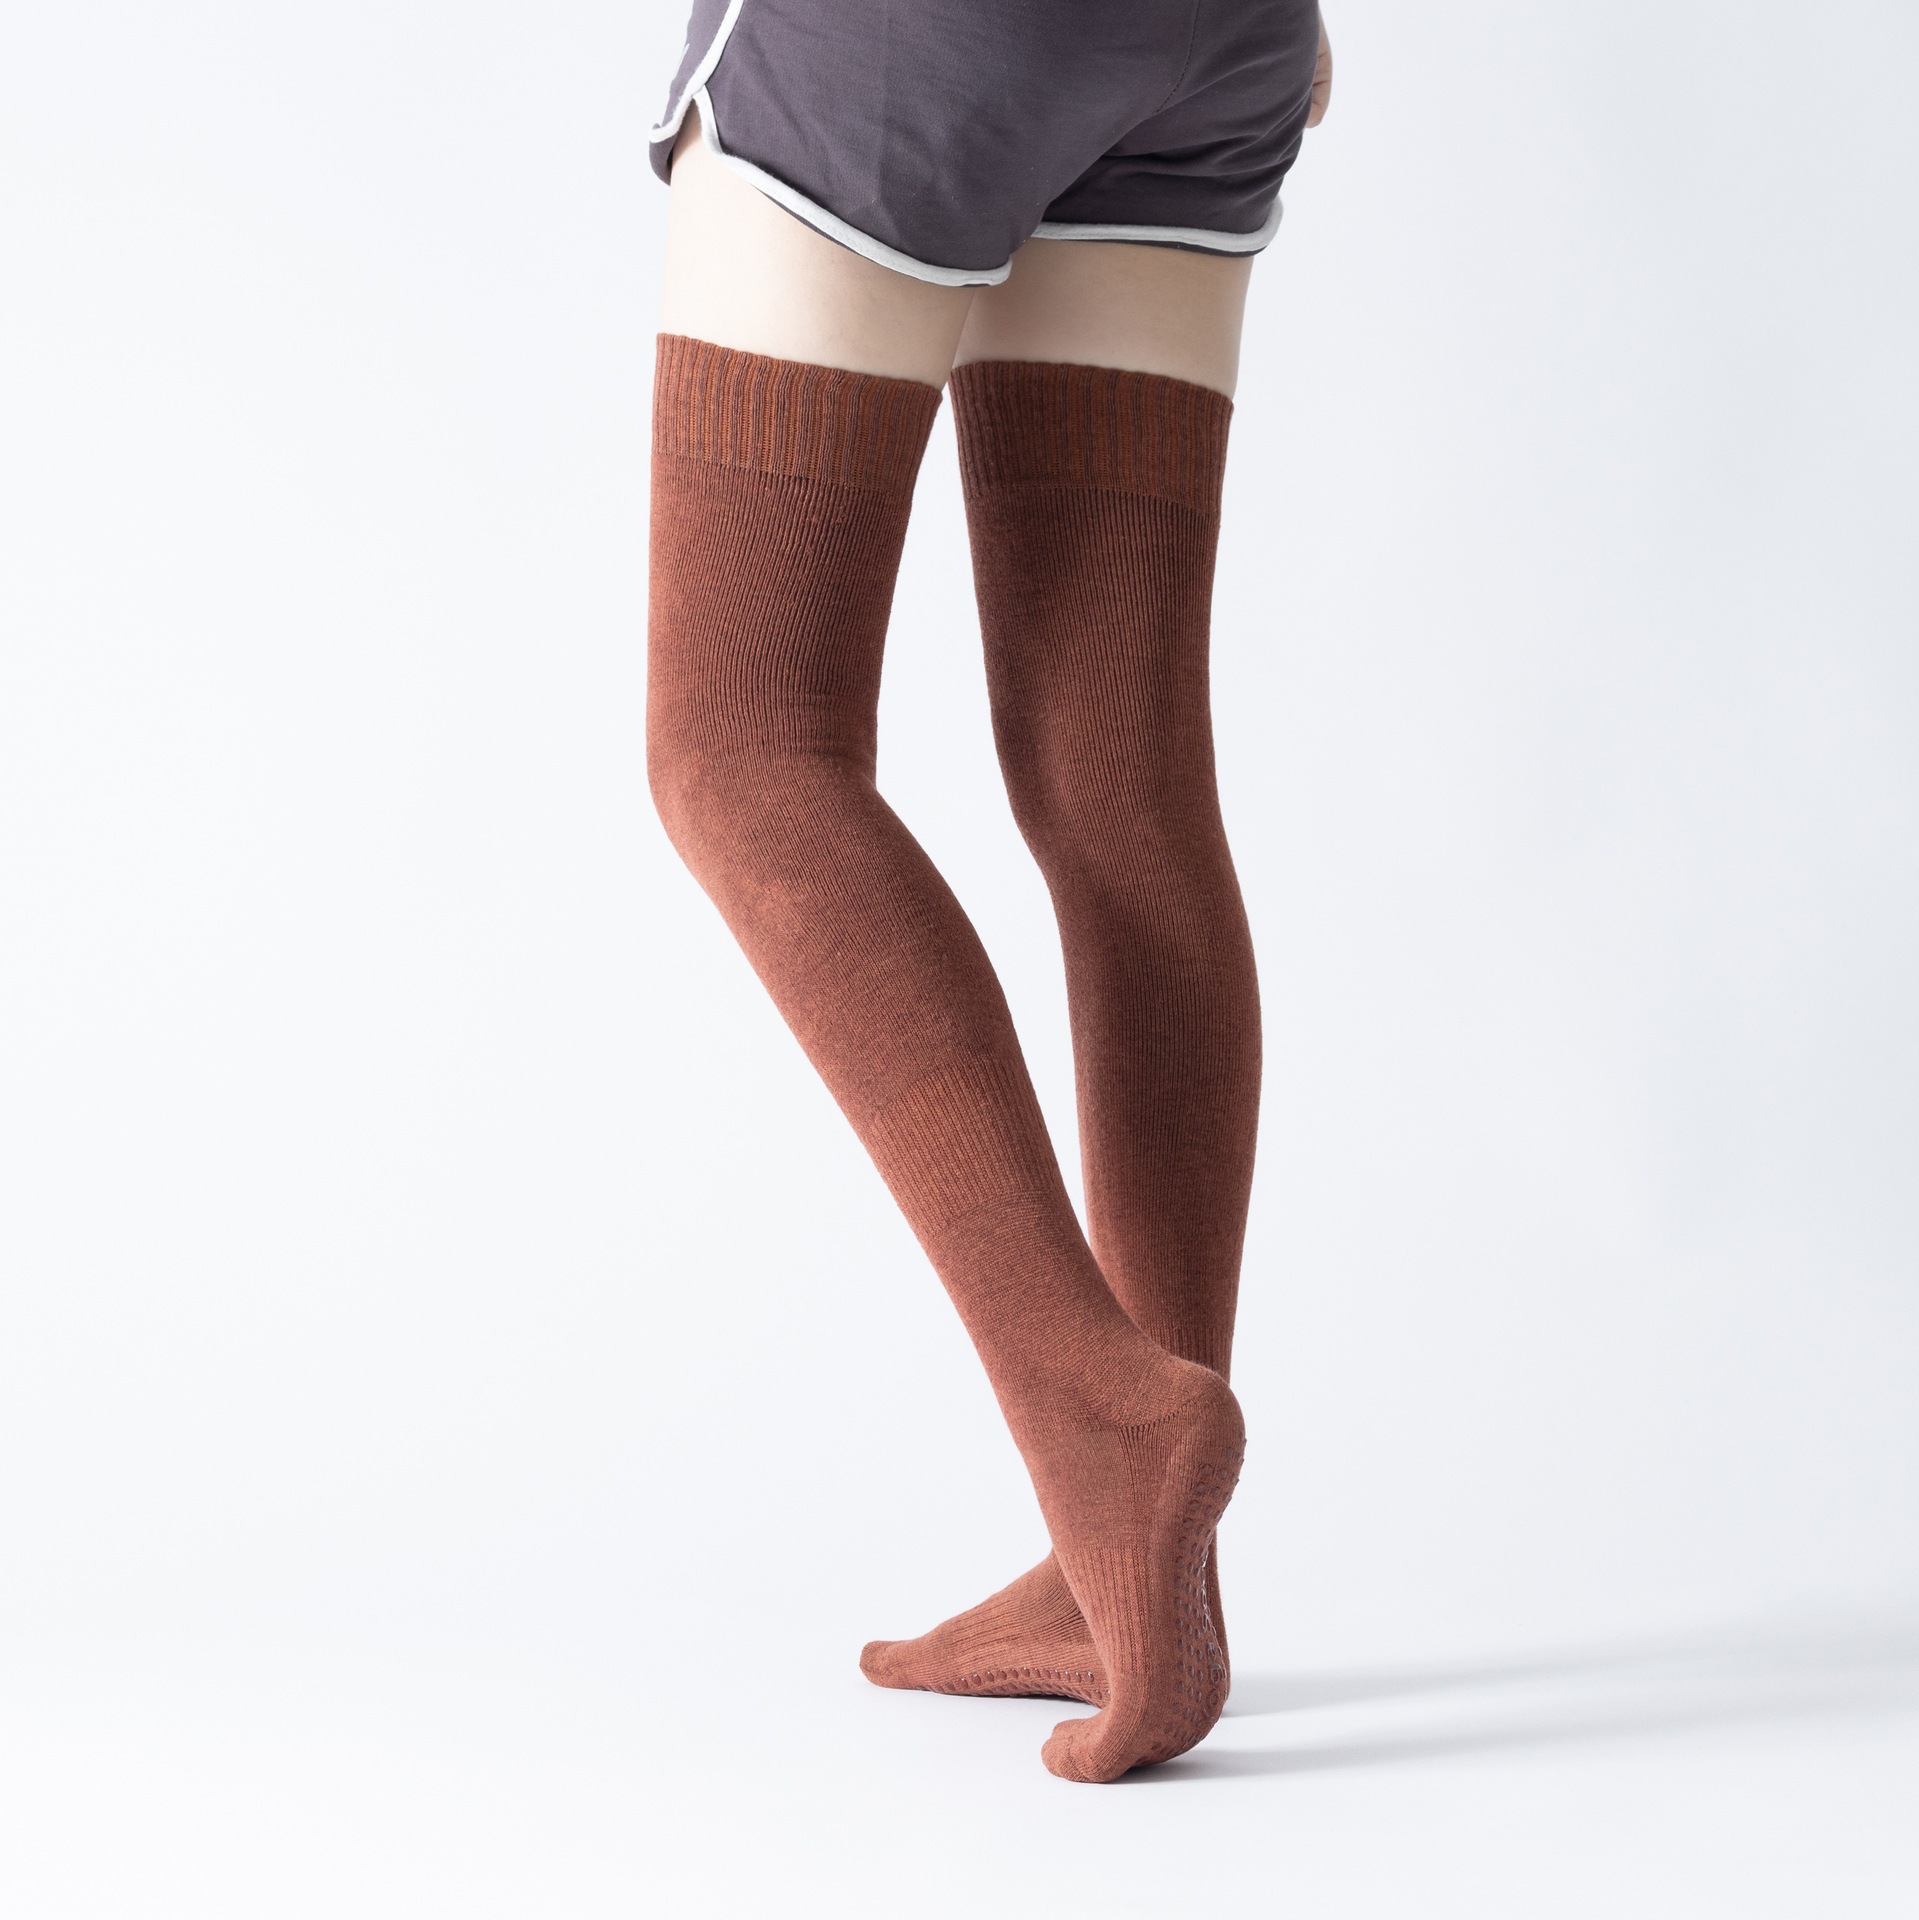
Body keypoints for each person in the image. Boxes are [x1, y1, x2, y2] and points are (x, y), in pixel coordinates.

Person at [645, 0, 1332, 1783]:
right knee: (1122, 775)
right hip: (1220, 41)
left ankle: (1103, 1421)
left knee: (740, 744)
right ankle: (1125, 1583)